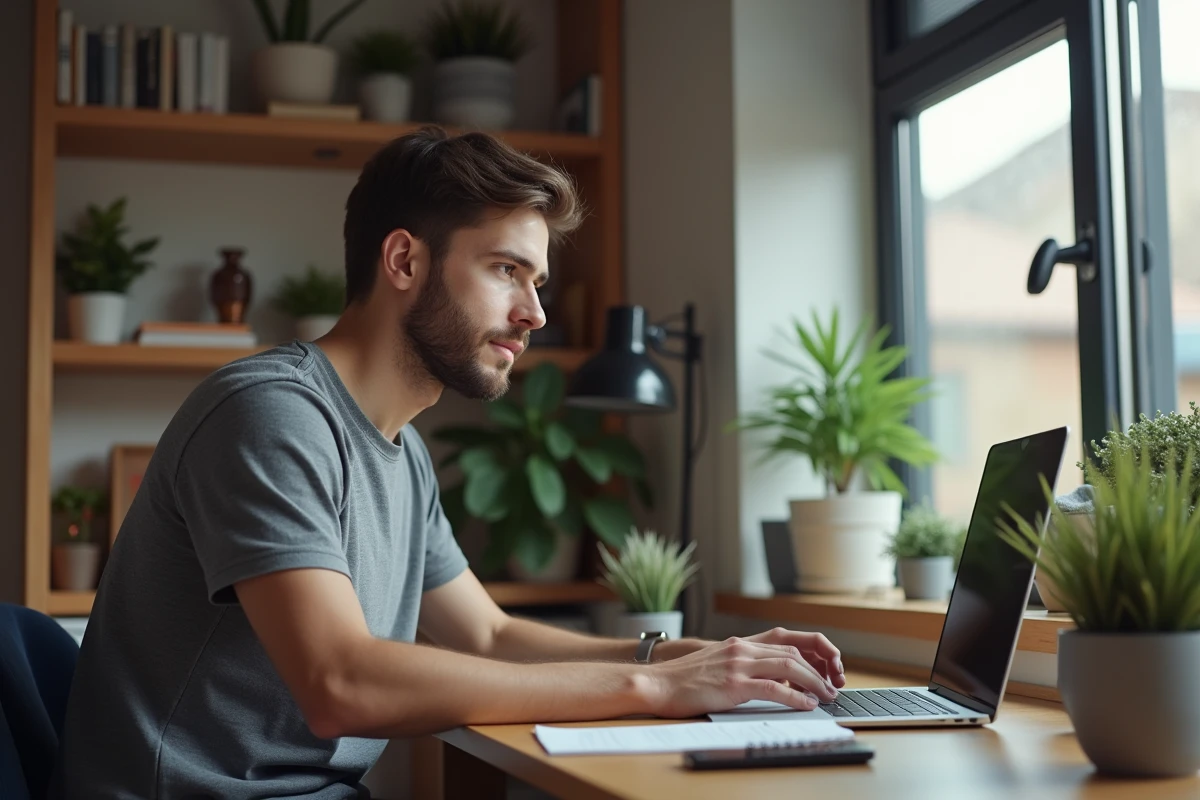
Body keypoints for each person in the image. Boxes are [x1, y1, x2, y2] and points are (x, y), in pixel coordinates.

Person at [51, 127, 845, 799]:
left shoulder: (403, 450)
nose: (533, 312)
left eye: (536, 282)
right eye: (507, 270)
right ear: (404, 261)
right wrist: (658, 688)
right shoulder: (271, 414)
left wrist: (689, 656)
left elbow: (488, 636)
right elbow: (341, 683)